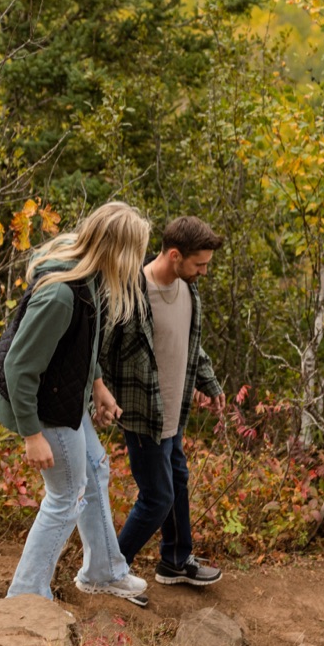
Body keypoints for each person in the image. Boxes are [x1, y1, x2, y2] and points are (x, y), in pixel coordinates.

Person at [0, 201, 151, 605]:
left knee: (94, 467)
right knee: (67, 495)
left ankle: (104, 571)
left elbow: (78, 343)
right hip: (38, 403)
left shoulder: (89, 278)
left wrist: (97, 384)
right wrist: (32, 435)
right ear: (119, 252)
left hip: (60, 392)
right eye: (137, 254)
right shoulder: (60, 295)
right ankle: (26, 597)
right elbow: (19, 368)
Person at [103, 216, 226, 587]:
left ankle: (174, 560)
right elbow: (102, 349)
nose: (203, 271)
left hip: (175, 413)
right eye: (199, 264)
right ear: (175, 255)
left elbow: (190, 344)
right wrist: (100, 397)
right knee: (157, 498)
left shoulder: (189, 291)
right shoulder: (132, 291)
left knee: (178, 483)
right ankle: (110, 570)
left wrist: (210, 382)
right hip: (143, 415)